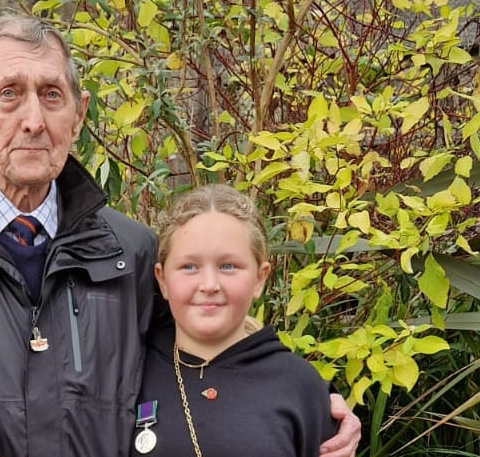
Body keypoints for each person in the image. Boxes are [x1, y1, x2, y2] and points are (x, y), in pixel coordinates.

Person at [0, 14, 360, 456]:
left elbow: (203, 352)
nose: (34, 119)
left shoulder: (129, 252)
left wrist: (311, 405)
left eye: (52, 95)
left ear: (77, 118)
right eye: (10, 94)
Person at [132, 184, 340, 456]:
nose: (209, 285)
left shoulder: (300, 386)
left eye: (228, 266)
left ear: (259, 278)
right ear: (162, 279)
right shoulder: (128, 375)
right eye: (189, 267)